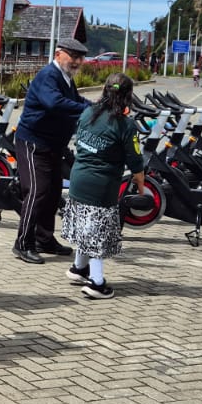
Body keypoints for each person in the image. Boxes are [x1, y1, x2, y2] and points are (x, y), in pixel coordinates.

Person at [61, 74, 147, 300]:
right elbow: (136, 162)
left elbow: (79, 142)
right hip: (101, 186)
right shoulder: (126, 125)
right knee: (96, 233)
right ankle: (97, 283)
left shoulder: (88, 112)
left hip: (78, 180)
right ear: (128, 96)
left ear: (104, 90)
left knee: (85, 226)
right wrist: (141, 188)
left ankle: (79, 268)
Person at [11, 37, 90, 265]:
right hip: (33, 143)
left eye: (80, 58)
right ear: (58, 55)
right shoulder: (49, 75)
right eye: (72, 56)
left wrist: (95, 106)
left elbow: (74, 100)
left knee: (53, 193)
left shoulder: (65, 78)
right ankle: (22, 243)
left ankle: (43, 240)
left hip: (53, 145)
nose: (76, 61)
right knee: (36, 192)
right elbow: (54, 103)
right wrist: (86, 109)